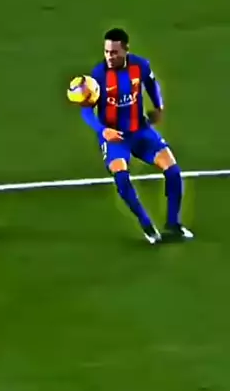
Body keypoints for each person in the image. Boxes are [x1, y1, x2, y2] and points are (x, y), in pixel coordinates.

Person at [81, 28, 193, 244]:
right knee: (122, 177)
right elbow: (86, 110)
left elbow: (151, 84)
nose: (109, 56)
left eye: (114, 52)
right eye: (106, 52)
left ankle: (173, 224)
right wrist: (102, 130)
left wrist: (158, 106)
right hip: (115, 137)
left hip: (140, 131)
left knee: (173, 171)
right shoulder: (98, 75)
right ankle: (146, 225)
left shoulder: (140, 66)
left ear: (126, 50)